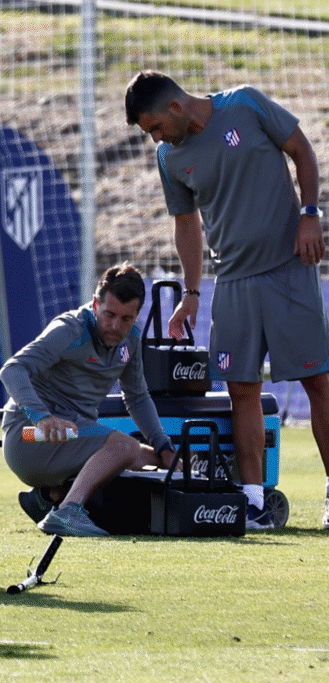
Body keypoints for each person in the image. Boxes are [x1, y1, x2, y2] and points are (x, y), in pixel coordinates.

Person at [125, 70, 329, 531]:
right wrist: (191, 293)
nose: (154, 138)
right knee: (241, 389)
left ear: (175, 107)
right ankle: (254, 500)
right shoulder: (168, 157)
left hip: (288, 269)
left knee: (318, 382)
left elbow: (303, 152)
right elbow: (186, 225)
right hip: (233, 283)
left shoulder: (247, 105)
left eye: (155, 127)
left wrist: (310, 214)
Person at [0, 263, 177, 537]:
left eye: (126, 319)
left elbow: (137, 396)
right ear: (95, 303)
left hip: (69, 434)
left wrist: (164, 446)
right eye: (109, 314)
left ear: (137, 315)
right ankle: (68, 511)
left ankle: (47, 497)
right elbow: (12, 370)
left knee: (152, 459)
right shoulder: (69, 329)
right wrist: (42, 417)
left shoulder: (131, 338)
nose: (116, 327)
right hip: (29, 435)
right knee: (125, 448)